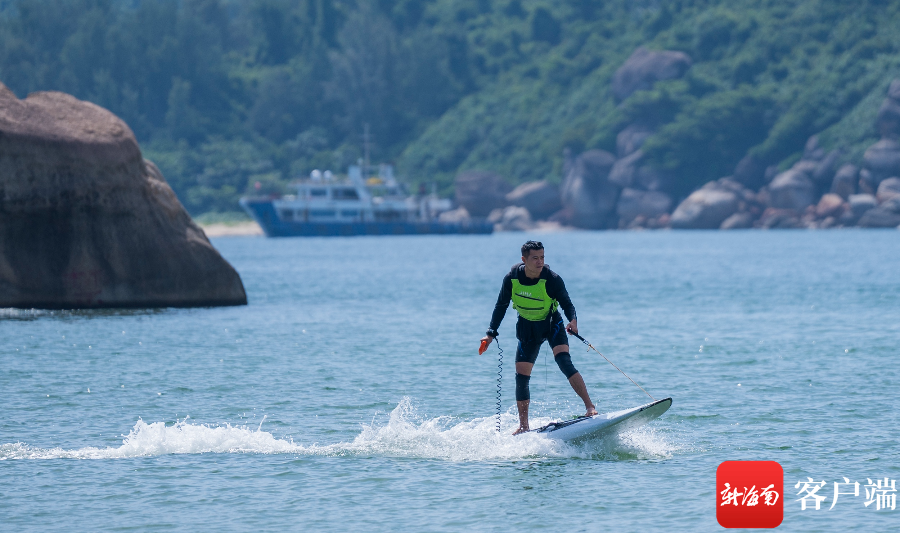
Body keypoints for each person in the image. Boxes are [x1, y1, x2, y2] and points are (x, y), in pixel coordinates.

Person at [481, 240, 597, 435]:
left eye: (542, 257)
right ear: (523, 259)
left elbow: (567, 303)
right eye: (535, 258)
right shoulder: (512, 279)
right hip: (527, 328)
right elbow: (500, 306)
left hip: (552, 324)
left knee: (563, 361)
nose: (540, 262)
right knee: (521, 377)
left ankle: (590, 407)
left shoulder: (552, 279)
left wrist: (573, 321)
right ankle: (524, 426)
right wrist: (490, 333)